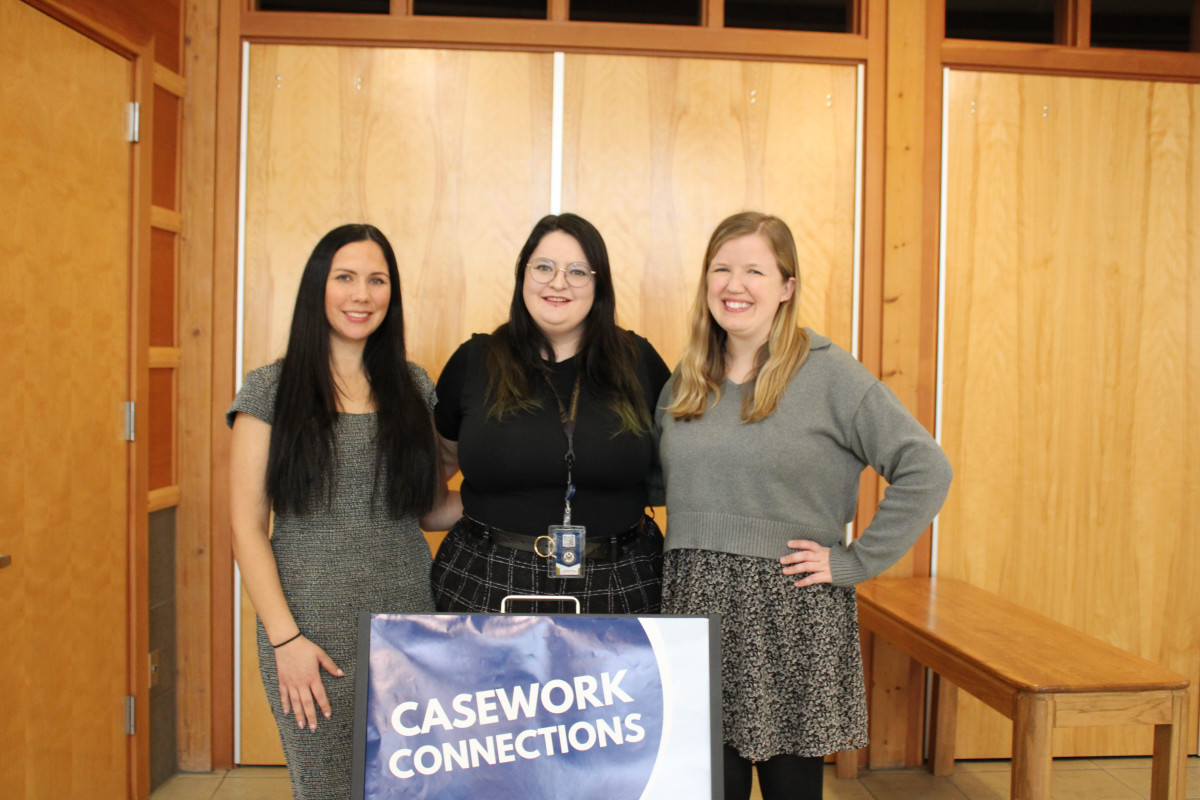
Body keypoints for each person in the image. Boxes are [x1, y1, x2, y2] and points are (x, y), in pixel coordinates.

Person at [656, 211, 953, 800]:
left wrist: (854, 562)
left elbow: (927, 469)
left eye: (754, 271)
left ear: (786, 286)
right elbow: (660, 482)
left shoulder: (829, 373)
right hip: (693, 604)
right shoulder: (687, 380)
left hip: (786, 611)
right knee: (708, 786)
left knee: (791, 788)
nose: (733, 285)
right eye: (721, 269)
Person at [227, 224, 460, 800]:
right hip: (312, 632)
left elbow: (427, 511)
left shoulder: (412, 386)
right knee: (330, 787)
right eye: (346, 278)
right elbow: (247, 526)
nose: (362, 295)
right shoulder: (270, 389)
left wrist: (518, 493)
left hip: (409, 622)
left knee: (416, 786)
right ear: (318, 288)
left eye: (377, 280)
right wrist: (286, 641)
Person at [430, 212, 670, 614]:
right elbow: (433, 475)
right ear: (523, 274)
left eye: (578, 271)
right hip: (486, 577)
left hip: (622, 580)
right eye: (543, 267)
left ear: (599, 284)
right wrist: (491, 509)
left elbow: (690, 470)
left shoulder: (638, 361)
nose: (558, 282)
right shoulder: (475, 361)